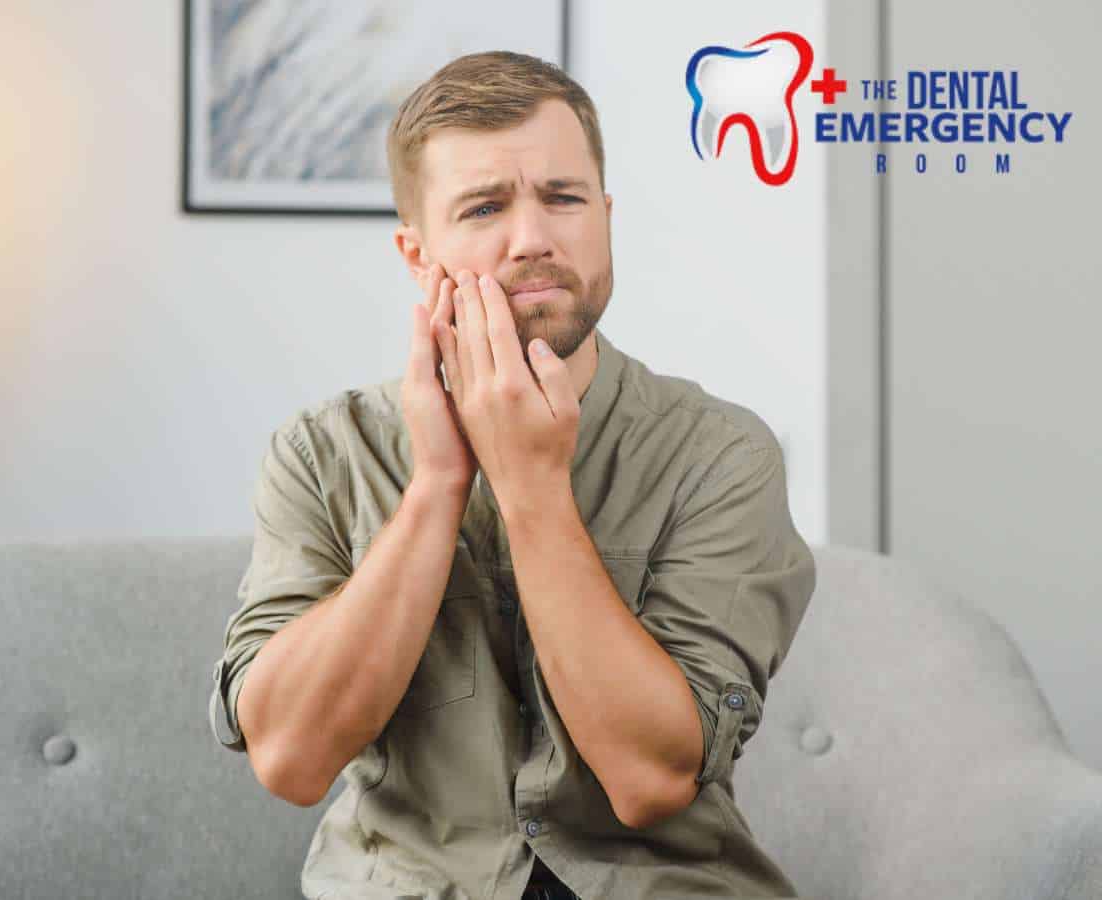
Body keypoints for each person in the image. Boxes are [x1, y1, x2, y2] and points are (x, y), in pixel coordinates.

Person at [209, 50, 816, 900]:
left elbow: (648, 779)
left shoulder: (721, 456)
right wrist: (436, 486)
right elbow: (291, 758)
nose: (533, 238)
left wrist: (530, 486)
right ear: (418, 255)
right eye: (485, 207)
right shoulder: (323, 453)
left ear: (605, 218)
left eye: (564, 199)